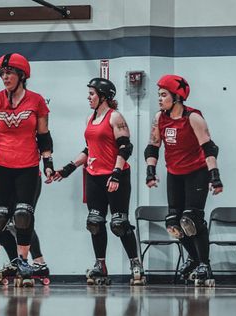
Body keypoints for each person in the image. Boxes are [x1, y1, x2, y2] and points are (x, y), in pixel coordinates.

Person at [53, 78, 144, 285]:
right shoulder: (90, 118)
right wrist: (68, 168)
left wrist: (116, 173)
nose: (89, 97)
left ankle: (136, 264)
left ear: (103, 96)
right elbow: (89, 150)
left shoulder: (115, 117)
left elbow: (125, 148)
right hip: (93, 176)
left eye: (92, 94)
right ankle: (100, 265)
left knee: (119, 223)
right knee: (95, 222)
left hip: (115, 175)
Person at [0, 53, 56, 286]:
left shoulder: (37, 101)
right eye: (2, 73)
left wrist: (48, 163)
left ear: (22, 75)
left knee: (23, 215)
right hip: (0, 166)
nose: (5, 77)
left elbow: (44, 137)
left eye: (9, 72)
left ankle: (22, 260)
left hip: (28, 167)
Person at [144, 74, 224, 286]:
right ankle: (195, 259)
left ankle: (204, 264)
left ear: (177, 97)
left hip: (197, 172)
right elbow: (153, 146)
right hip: (175, 173)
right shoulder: (160, 118)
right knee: (173, 224)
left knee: (192, 219)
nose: (159, 99)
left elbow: (209, 148)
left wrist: (215, 176)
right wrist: (150, 170)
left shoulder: (193, 118)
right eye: (158, 95)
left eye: (163, 95)